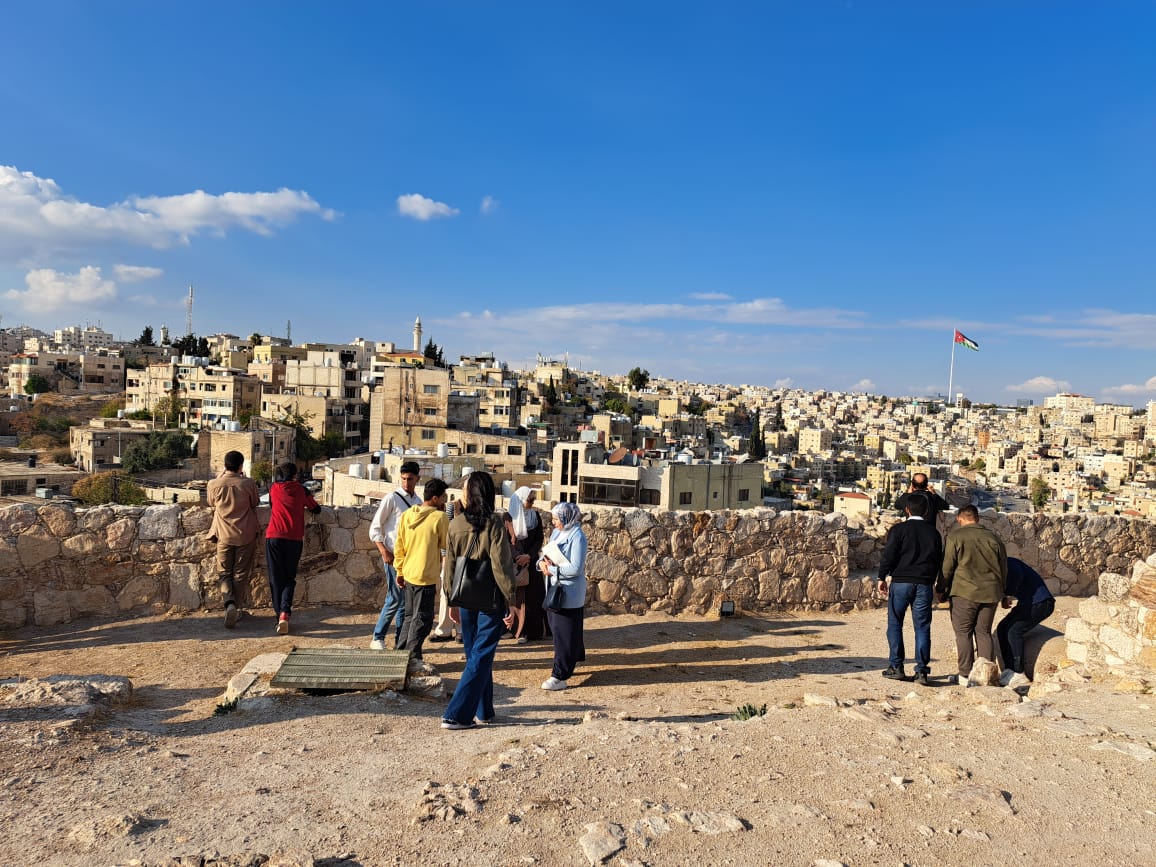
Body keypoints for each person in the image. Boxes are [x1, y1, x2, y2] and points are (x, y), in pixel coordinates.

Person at [441, 471, 516, 730]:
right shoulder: (495, 523)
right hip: (490, 597)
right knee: (482, 654)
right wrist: (510, 599)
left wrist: (450, 600)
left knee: (475, 654)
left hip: (464, 596)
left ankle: (484, 710)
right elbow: (501, 565)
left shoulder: (455, 524)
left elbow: (449, 566)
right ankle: (457, 715)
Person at [937, 505, 1008, 684]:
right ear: (977, 518)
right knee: (984, 632)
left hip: (964, 591)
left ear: (960, 518)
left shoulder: (956, 536)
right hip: (991, 592)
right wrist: (1003, 593)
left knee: (963, 633)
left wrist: (941, 588)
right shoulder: (994, 538)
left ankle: (965, 674)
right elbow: (1003, 569)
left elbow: (947, 567)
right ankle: (986, 676)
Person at [877, 492, 942, 685]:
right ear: (927, 511)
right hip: (924, 584)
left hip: (901, 582)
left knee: (895, 624)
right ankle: (921, 671)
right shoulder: (933, 533)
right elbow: (938, 560)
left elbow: (889, 555)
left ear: (907, 510)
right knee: (922, 627)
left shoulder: (899, 530)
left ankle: (896, 666)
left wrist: (882, 576)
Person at [368, 461, 423, 650]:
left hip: (410, 558)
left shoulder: (418, 502)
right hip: (393, 556)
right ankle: (378, 637)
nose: (407, 483)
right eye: (404, 479)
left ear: (417, 479)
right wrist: (384, 551)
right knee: (394, 598)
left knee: (405, 603)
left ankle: (400, 641)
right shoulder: (391, 498)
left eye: (410, 479)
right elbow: (375, 528)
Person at [394, 478, 449, 663]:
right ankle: (412, 656)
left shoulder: (408, 514)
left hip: (409, 572)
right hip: (426, 575)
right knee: (423, 618)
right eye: (443, 497)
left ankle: (400, 653)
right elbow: (446, 544)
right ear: (435, 498)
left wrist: (399, 571)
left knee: (410, 616)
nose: (445, 501)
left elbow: (399, 545)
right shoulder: (439, 517)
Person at [264, 461, 321, 634]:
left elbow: (272, 505)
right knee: (289, 578)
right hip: (294, 539)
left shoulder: (274, 489)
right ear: (295, 475)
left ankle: (278, 616)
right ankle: (285, 613)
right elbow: (316, 509)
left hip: (274, 536)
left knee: (275, 579)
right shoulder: (302, 490)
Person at [207, 450, 260, 629]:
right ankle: (236, 609)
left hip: (223, 534)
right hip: (245, 534)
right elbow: (255, 503)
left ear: (224, 465)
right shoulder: (248, 483)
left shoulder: (213, 484)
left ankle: (229, 603)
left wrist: (220, 478)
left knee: (224, 573)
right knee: (240, 573)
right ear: (241, 466)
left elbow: (211, 503)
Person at [539, 502, 588, 691]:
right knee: (560, 630)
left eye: (556, 519)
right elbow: (546, 553)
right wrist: (541, 564)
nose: (553, 522)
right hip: (554, 589)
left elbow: (576, 568)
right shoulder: (557, 533)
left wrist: (551, 570)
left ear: (567, 518)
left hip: (569, 593)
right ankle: (571, 659)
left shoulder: (578, 537)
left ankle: (560, 675)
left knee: (564, 633)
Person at [996, 557, 1056, 688]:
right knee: (1002, 628)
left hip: (1041, 603)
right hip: (1027, 604)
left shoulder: (1009, 563)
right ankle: (1009, 669)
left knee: (1014, 631)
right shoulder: (1002, 565)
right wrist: (1005, 596)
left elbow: (1017, 575)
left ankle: (1019, 672)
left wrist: (1007, 594)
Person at [508, 486, 546, 642]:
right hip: (516, 563)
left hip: (531, 563)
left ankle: (533, 631)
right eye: (530, 500)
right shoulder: (509, 518)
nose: (532, 503)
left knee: (533, 598)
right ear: (520, 500)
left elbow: (539, 538)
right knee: (518, 599)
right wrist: (518, 557)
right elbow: (506, 541)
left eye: (533, 500)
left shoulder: (535, 516)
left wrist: (528, 556)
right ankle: (518, 630)